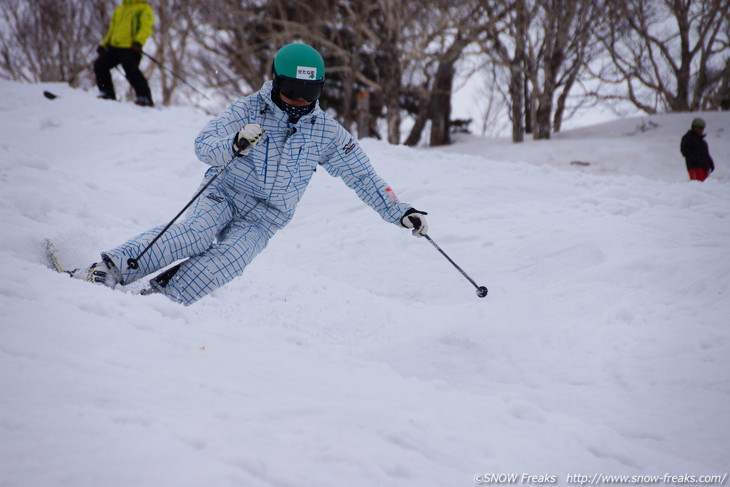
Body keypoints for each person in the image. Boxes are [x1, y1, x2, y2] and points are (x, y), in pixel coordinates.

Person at [72, 43, 429, 305]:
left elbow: (364, 177)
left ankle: (156, 303)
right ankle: (108, 269)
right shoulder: (249, 108)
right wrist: (234, 144)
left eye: (311, 93)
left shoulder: (326, 132)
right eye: (293, 91)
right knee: (194, 235)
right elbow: (203, 143)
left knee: (225, 264)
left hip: (267, 216)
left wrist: (400, 212)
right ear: (276, 82)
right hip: (224, 192)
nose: (301, 102)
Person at [93, 0, 155, 107]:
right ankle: (107, 93)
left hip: (130, 47)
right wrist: (104, 44)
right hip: (114, 46)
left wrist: (139, 42)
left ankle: (144, 97)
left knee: (131, 71)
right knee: (99, 65)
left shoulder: (144, 8)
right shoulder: (120, 9)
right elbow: (112, 29)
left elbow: (146, 28)